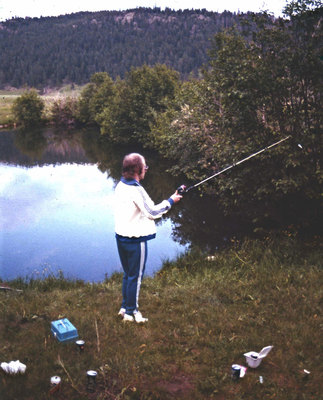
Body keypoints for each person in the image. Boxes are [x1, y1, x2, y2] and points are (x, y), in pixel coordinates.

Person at [114, 153, 182, 323]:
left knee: (128, 274)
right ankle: (131, 313)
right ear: (137, 169)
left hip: (121, 237)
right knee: (135, 276)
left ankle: (124, 307)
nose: (146, 170)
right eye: (145, 167)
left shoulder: (120, 185)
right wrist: (171, 201)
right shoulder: (136, 189)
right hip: (135, 240)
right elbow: (152, 212)